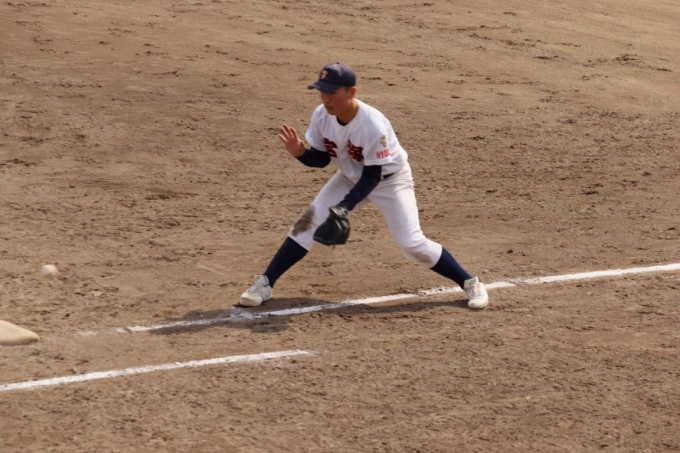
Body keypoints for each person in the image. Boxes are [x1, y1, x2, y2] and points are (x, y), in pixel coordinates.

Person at [239, 62, 489, 309]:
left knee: (411, 243)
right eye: (322, 92)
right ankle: (265, 283)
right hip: (349, 177)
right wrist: (301, 153)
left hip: (390, 181)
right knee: (308, 222)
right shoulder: (321, 115)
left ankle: (470, 282)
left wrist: (344, 206)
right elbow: (322, 158)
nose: (326, 99)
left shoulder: (372, 125)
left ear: (351, 92)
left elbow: (371, 177)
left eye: (332, 92)